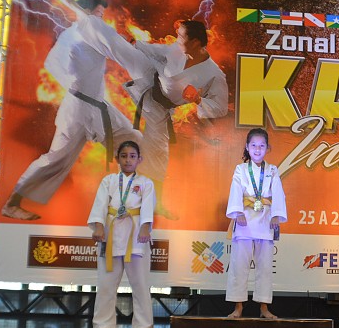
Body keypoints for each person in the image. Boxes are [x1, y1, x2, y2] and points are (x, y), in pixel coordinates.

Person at [1, 0, 143, 221]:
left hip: (98, 104)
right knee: (56, 159)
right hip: (77, 108)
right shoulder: (76, 35)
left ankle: (135, 197)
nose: (100, 19)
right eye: (98, 14)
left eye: (101, 15)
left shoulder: (83, 32)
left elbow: (110, 46)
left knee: (132, 137)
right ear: (87, 13)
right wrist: (72, 83)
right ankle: (12, 203)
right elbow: (52, 62)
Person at [78, 14, 228, 218]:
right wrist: (135, 43)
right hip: (149, 75)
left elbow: (220, 108)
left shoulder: (214, 75)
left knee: (159, 154)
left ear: (195, 42)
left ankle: (153, 202)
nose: (177, 39)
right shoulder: (176, 49)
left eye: (181, 36)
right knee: (125, 50)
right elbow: (156, 51)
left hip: (161, 107)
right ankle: (87, 25)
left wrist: (198, 100)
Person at [87, 140, 155, 328]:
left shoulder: (146, 183)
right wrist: (99, 226)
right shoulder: (108, 181)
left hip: (136, 237)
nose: (128, 160)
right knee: (106, 285)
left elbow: (148, 207)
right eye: (124, 156)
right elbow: (100, 204)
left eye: (132, 156)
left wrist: (145, 227)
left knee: (140, 284)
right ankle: (103, 327)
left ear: (139, 159)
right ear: (117, 159)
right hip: (111, 234)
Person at [225, 128, 287, 319]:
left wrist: (276, 215)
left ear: (268, 148)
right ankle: (238, 307)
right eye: (254, 145)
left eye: (261, 146)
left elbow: (278, 193)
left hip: (265, 220)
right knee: (239, 266)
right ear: (247, 147)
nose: (257, 149)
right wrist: (237, 212)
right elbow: (236, 190)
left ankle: (264, 308)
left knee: (265, 267)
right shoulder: (241, 169)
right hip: (244, 220)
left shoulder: (272, 170)